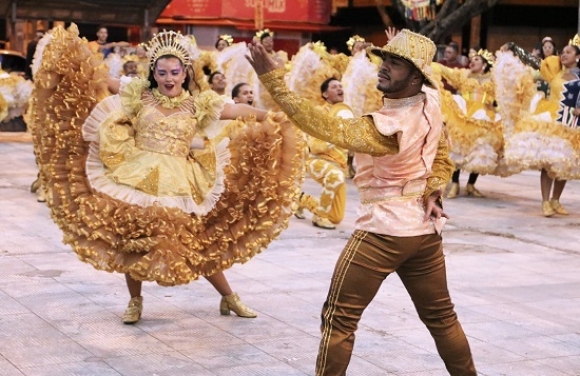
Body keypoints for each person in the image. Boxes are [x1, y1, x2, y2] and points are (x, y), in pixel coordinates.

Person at [32, 25, 304, 325]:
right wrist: (72, 65)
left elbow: (235, 109)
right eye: (162, 73)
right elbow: (103, 82)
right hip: (136, 174)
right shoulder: (140, 94)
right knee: (133, 238)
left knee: (196, 241)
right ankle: (135, 301)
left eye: (174, 72)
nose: (168, 79)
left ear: (185, 72)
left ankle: (229, 297)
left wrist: (271, 117)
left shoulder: (199, 102)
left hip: (181, 181)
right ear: (154, 72)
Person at [248, 28, 476, 376]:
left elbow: (323, 125)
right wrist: (432, 189)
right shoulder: (430, 104)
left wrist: (273, 80)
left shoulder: (388, 126)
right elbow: (442, 157)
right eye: (385, 58)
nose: (384, 67)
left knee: (339, 319)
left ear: (416, 77)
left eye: (397, 63)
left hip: (384, 231)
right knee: (442, 318)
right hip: (424, 232)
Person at [496, 37, 580, 217]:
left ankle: (556, 200)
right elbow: (533, 61)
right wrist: (514, 47)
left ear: (578, 57)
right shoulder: (555, 72)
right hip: (551, 121)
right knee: (548, 162)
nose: (563, 54)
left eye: (568, 52)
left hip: (572, 124)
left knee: (564, 163)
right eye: (563, 51)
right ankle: (545, 201)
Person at [433, 49, 501, 198]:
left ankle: (471, 184)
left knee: (480, 149)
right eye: (472, 59)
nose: (472, 61)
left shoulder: (494, 79)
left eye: (477, 59)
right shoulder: (463, 75)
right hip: (464, 113)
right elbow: (444, 70)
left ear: (484, 64)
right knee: (458, 148)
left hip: (484, 115)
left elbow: (504, 94)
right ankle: (455, 183)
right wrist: (426, 62)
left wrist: (495, 107)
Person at [294, 77, 352, 229]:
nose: (340, 88)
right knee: (336, 176)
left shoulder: (345, 114)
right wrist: (334, 137)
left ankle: (301, 199)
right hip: (317, 161)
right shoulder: (318, 113)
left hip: (339, 166)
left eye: (341, 86)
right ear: (325, 94)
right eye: (334, 87)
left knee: (336, 218)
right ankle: (319, 217)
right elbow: (314, 145)